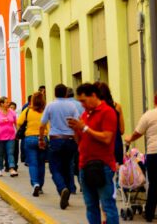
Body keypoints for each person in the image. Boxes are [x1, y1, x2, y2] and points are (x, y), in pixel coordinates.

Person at [67, 83, 118, 224]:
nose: (82, 104)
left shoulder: (108, 112)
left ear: (93, 96)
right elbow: (79, 141)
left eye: (83, 100)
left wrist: (84, 128)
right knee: (90, 205)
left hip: (102, 165)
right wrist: (76, 129)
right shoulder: (85, 114)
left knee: (107, 205)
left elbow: (107, 138)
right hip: (84, 164)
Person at [40, 83, 80, 209]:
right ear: (66, 94)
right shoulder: (72, 106)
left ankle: (62, 189)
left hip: (55, 140)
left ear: (54, 93)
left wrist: (41, 138)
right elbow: (77, 123)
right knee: (68, 167)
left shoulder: (50, 105)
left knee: (55, 168)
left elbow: (42, 124)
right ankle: (67, 193)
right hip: (70, 140)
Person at [125, 92, 157, 222]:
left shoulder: (149, 115)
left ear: (155, 99)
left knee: (154, 184)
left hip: (154, 153)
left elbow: (138, 132)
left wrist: (129, 139)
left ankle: (149, 214)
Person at [18, 92, 47, 196]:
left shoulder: (27, 110)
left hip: (29, 138)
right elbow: (48, 126)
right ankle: (41, 186)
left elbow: (19, 122)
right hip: (42, 138)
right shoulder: (45, 111)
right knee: (41, 163)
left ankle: (35, 184)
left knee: (32, 163)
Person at [95, 82, 125, 165]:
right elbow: (122, 130)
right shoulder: (117, 106)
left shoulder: (94, 109)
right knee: (117, 174)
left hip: (100, 147)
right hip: (116, 144)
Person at [0, 97, 18, 177]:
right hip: (0, 137)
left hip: (11, 136)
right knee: (1, 153)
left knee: (10, 152)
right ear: (2, 104)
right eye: (6, 102)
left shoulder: (12, 112)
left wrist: (18, 132)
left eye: (8, 102)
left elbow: (16, 123)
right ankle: (0, 169)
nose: (8, 104)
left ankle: (11, 169)